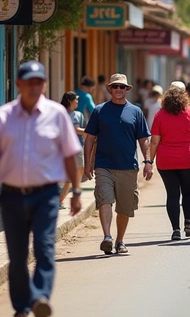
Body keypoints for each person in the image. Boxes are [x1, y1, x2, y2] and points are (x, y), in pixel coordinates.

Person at [0, 61, 83, 317]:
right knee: (17, 254)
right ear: (19, 84)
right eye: (30, 82)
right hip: (11, 195)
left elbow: (70, 155)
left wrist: (77, 191)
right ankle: (22, 307)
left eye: (39, 82)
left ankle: (39, 299)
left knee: (45, 248)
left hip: (46, 194)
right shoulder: (4, 116)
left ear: (45, 84)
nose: (35, 87)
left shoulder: (56, 114)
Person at [84, 73, 152, 255]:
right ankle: (107, 237)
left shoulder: (136, 111)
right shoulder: (99, 110)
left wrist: (147, 161)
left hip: (128, 166)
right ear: (110, 89)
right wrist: (87, 163)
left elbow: (144, 139)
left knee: (124, 207)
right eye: (115, 86)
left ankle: (120, 240)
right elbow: (90, 138)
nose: (119, 90)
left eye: (122, 87)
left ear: (127, 89)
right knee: (104, 199)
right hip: (103, 165)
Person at [149, 87, 190, 241]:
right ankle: (188, 223)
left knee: (172, 195)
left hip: (166, 161)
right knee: (189, 192)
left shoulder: (160, 115)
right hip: (188, 158)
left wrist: (149, 161)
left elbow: (154, 141)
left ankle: (175, 230)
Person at [58, 91, 86, 209]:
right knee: (69, 178)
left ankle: (61, 200)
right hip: (64, 149)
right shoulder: (61, 114)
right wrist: (82, 131)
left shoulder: (79, 115)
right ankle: (59, 201)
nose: (77, 102)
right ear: (69, 101)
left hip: (78, 148)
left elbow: (83, 130)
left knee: (77, 175)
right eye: (76, 100)